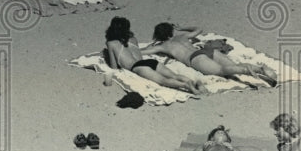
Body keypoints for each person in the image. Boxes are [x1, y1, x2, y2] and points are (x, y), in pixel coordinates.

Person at [143, 22, 278, 85]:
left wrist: (153, 43)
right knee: (232, 66)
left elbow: (144, 51)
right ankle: (257, 68)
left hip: (195, 58)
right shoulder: (182, 36)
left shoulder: (163, 46)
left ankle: (254, 70)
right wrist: (181, 27)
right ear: (171, 31)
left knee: (222, 70)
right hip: (205, 50)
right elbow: (199, 29)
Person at [105, 17, 205, 96]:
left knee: (162, 81)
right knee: (174, 76)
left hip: (138, 67)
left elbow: (114, 66)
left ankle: (186, 86)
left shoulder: (111, 43)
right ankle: (194, 82)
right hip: (150, 61)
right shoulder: (133, 39)